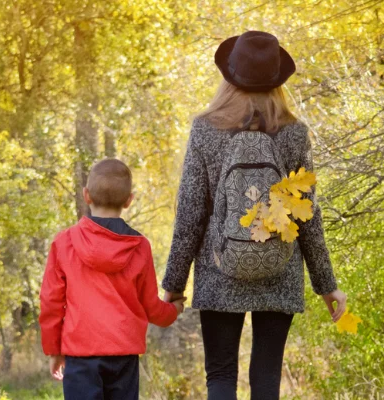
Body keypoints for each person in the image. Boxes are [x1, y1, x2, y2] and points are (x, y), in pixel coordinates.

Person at [161, 30, 349, 400]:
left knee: (220, 374)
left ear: (230, 77)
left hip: (219, 266)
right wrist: (326, 285)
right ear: (277, 80)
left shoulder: (205, 130)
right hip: (280, 267)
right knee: (266, 377)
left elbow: (190, 213)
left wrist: (173, 285)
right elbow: (308, 216)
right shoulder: (295, 134)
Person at [39, 158, 185, 400]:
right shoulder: (139, 246)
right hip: (123, 357)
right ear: (129, 200)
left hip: (80, 355)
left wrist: (54, 350)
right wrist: (174, 310)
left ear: (86, 195)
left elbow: (51, 302)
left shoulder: (64, 243)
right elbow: (150, 306)